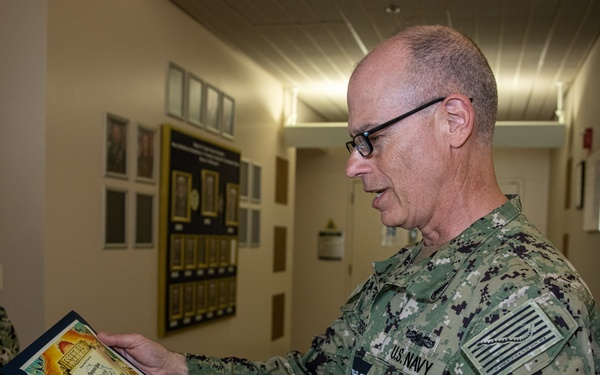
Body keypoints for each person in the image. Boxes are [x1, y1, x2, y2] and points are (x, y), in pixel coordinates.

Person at [99, 25, 600, 374]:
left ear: (453, 120)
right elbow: (316, 371)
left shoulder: (534, 300)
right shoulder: (411, 265)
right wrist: (181, 368)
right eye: (353, 143)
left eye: (371, 138)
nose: (353, 164)